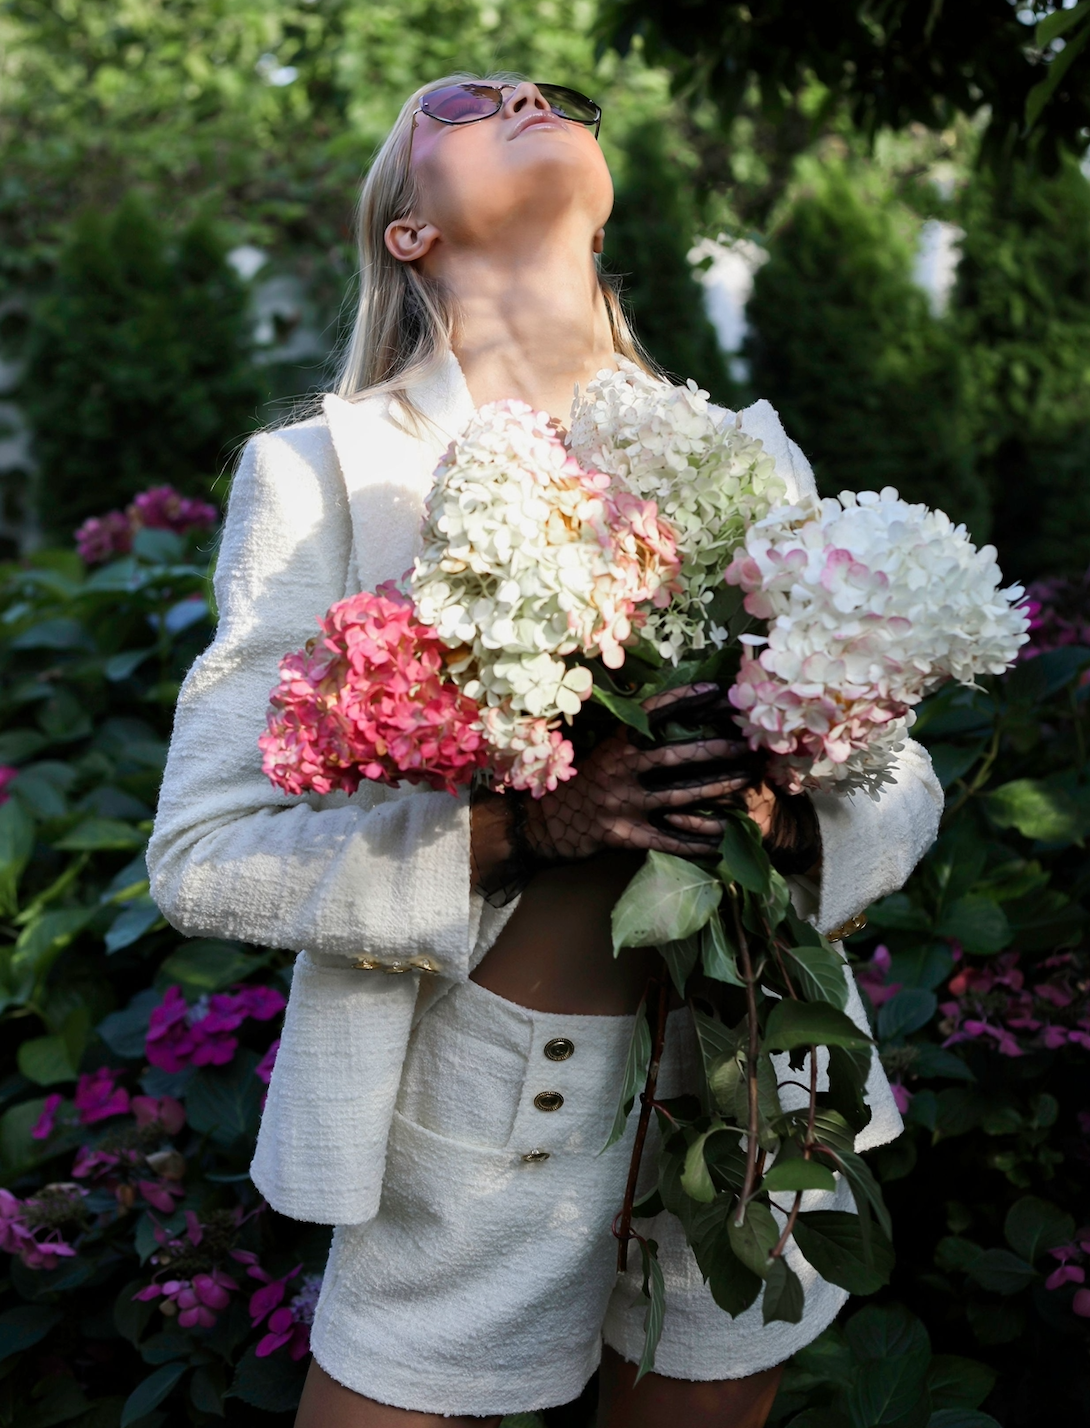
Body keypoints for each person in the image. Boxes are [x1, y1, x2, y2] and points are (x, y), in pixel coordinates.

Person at [147, 74, 943, 1428]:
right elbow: (201, 856)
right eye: (461, 102)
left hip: (743, 1084)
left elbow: (902, 777)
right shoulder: (323, 474)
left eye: (549, 92)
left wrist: (794, 816)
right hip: (473, 1098)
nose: (522, 93)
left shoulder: (747, 454)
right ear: (409, 228)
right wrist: (526, 830)